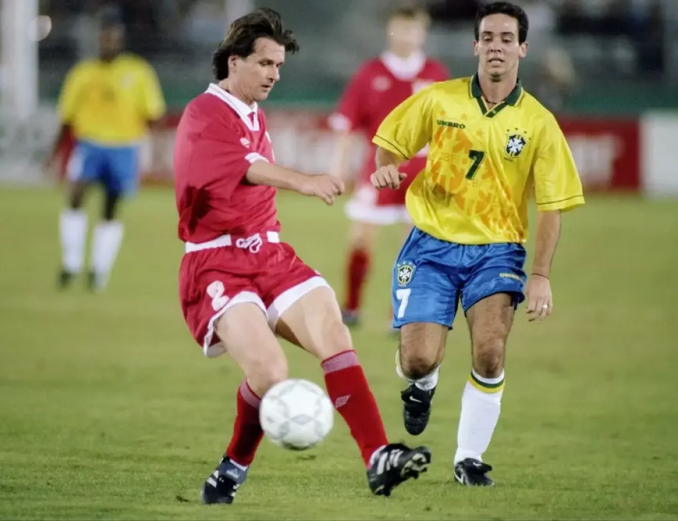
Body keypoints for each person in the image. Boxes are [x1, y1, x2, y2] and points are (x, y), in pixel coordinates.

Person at [173, 8, 432, 505]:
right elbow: (249, 169)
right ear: (234, 61)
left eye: (279, 66)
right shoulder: (203, 114)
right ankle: (232, 467)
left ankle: (378, 457)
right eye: (266, 63)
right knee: (269, 373)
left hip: (269, 255)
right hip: (216, 262)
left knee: (334, 331)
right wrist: (306, 181)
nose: (274, 74)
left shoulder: (254, 113)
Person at [369, 1, 585, 486]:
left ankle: (468, 458)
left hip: (498, 249)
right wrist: (386, 164)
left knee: (490, 351)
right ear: (475, 46)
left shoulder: (539, 123)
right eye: (488, 37)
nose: (496, 47)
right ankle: (421, 384)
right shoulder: (439, 99)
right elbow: (391, 140)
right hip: (431, 245)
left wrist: (542, 275)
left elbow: (552, 206)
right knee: (418, 357)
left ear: (523, 49)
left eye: (507, 39)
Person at [328, 4, 449, 328]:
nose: (408, 36)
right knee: (359, 240)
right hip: (378, 170)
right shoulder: (370, 73)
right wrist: (338, 169)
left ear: (423, 33)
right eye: (402, 29)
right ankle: (351, 308)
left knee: (411, 246)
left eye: (414, 29)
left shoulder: (437, 74)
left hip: (422, 174)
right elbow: (348, 127)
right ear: (390, 31)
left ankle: (401, 312)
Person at [50, 16, 165, 292]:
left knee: (111, 207)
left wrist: (152, 149)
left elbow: (152, 114)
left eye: (113, 37)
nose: (109, 42)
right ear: (99, 39)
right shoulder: (83, 72)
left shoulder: (138, 72)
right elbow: (66, 117)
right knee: (76, 194)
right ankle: (71, 263)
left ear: (121, 40)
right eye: (105, 37)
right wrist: (53, 152)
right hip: (90, 144)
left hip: (124, 147)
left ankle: (99, 270)